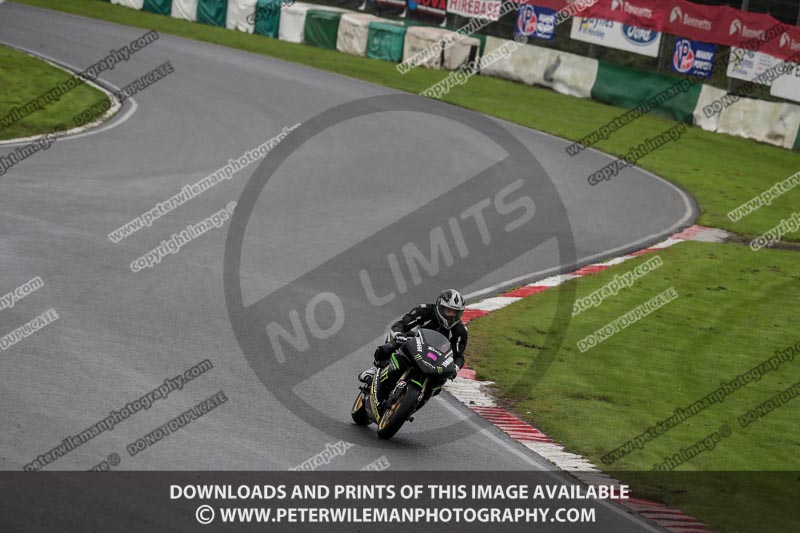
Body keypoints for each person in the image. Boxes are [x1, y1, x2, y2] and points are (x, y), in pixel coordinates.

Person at [358, 289, 468, 384]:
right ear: (440, 307)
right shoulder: (425, 310)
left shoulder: (460, 331)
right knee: (393, 343)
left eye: (455, 313)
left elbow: (459, 355)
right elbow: (401, 324)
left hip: (434, 357)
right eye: (448, 311)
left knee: (443, 378)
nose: (452, 315)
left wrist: (455, 368)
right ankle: (375, 368)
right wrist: (399, 335)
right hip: (412, 343)